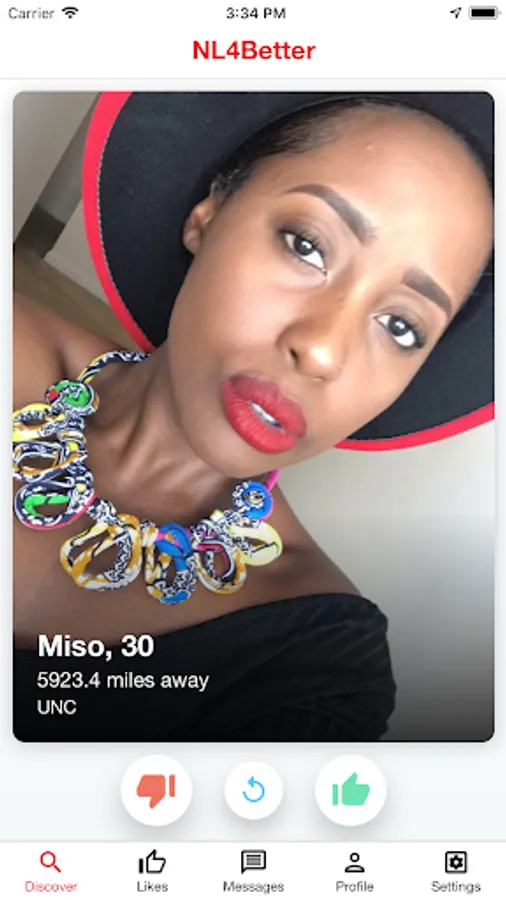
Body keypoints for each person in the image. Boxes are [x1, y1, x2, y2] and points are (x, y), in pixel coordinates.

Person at [13, 92, 493, 741]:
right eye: (307, 245)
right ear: (207, 218)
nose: (322, 350)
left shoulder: (315, 660)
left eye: (401, 326)